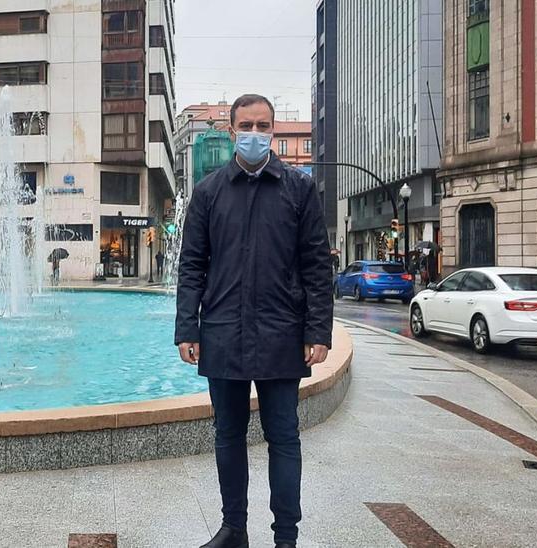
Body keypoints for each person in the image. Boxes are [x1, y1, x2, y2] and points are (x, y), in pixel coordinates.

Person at [175, 94, 334, 548]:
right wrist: (188, 326)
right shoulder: (208, 193)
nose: (256, 134)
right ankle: (233, 529)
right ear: (231, 132)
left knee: (283, 436)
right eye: (247, 125)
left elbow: (316, 265)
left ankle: (286, 537)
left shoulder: (299, 189)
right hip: (222, 331)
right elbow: (192, 265)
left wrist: (317, 330)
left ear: (273, 132)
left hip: (282, 333)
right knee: (227, 435)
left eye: (264, 126)